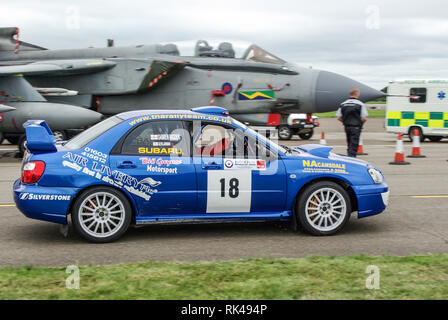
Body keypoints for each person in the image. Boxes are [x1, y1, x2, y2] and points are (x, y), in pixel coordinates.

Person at [336, 88, 368, 157]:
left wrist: (345, 121)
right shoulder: (360, 104)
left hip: (347, 126)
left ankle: (349, 156)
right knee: (354, 144)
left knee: (349, 143)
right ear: (357, 94)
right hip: (356, 127)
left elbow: (338, 117)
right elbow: (364, 118)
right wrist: (360, 124)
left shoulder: (343, 104)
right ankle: (352, 158)